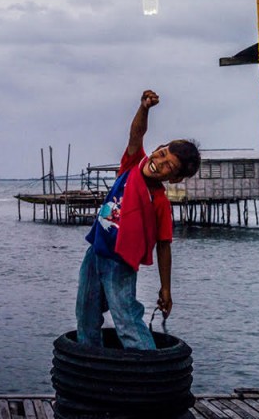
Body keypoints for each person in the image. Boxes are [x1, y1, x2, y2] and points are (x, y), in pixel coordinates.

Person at [76, 89, 200, 350]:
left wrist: (166, 289)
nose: (159, 162)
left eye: (169, 166)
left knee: (126, 321)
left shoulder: (160, 203)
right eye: (163, 153)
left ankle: (149, 372)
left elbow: (164, 245)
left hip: (119, 263)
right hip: (95, 252)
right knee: (85, 315)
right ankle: (90, 368)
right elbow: (136, 133)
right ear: (157, 148)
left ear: (174, 179)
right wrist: (144, 108)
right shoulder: (133, 164)